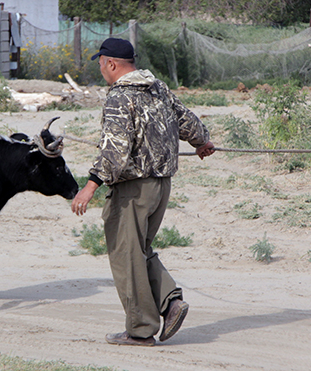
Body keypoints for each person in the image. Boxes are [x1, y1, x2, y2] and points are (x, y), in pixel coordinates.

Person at [71, 38, 215, 346]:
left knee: (126, 254)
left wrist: (90, 186)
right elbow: (185, 118)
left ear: (112, 64)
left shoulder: (119, 97)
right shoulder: (157, 87)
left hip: (134, 189)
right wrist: (201, 141)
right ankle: (171, 302)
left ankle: (140, 329)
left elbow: (115, 149)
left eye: (101, 65)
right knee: (138, 250)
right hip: (161, 186)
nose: (101, 71)